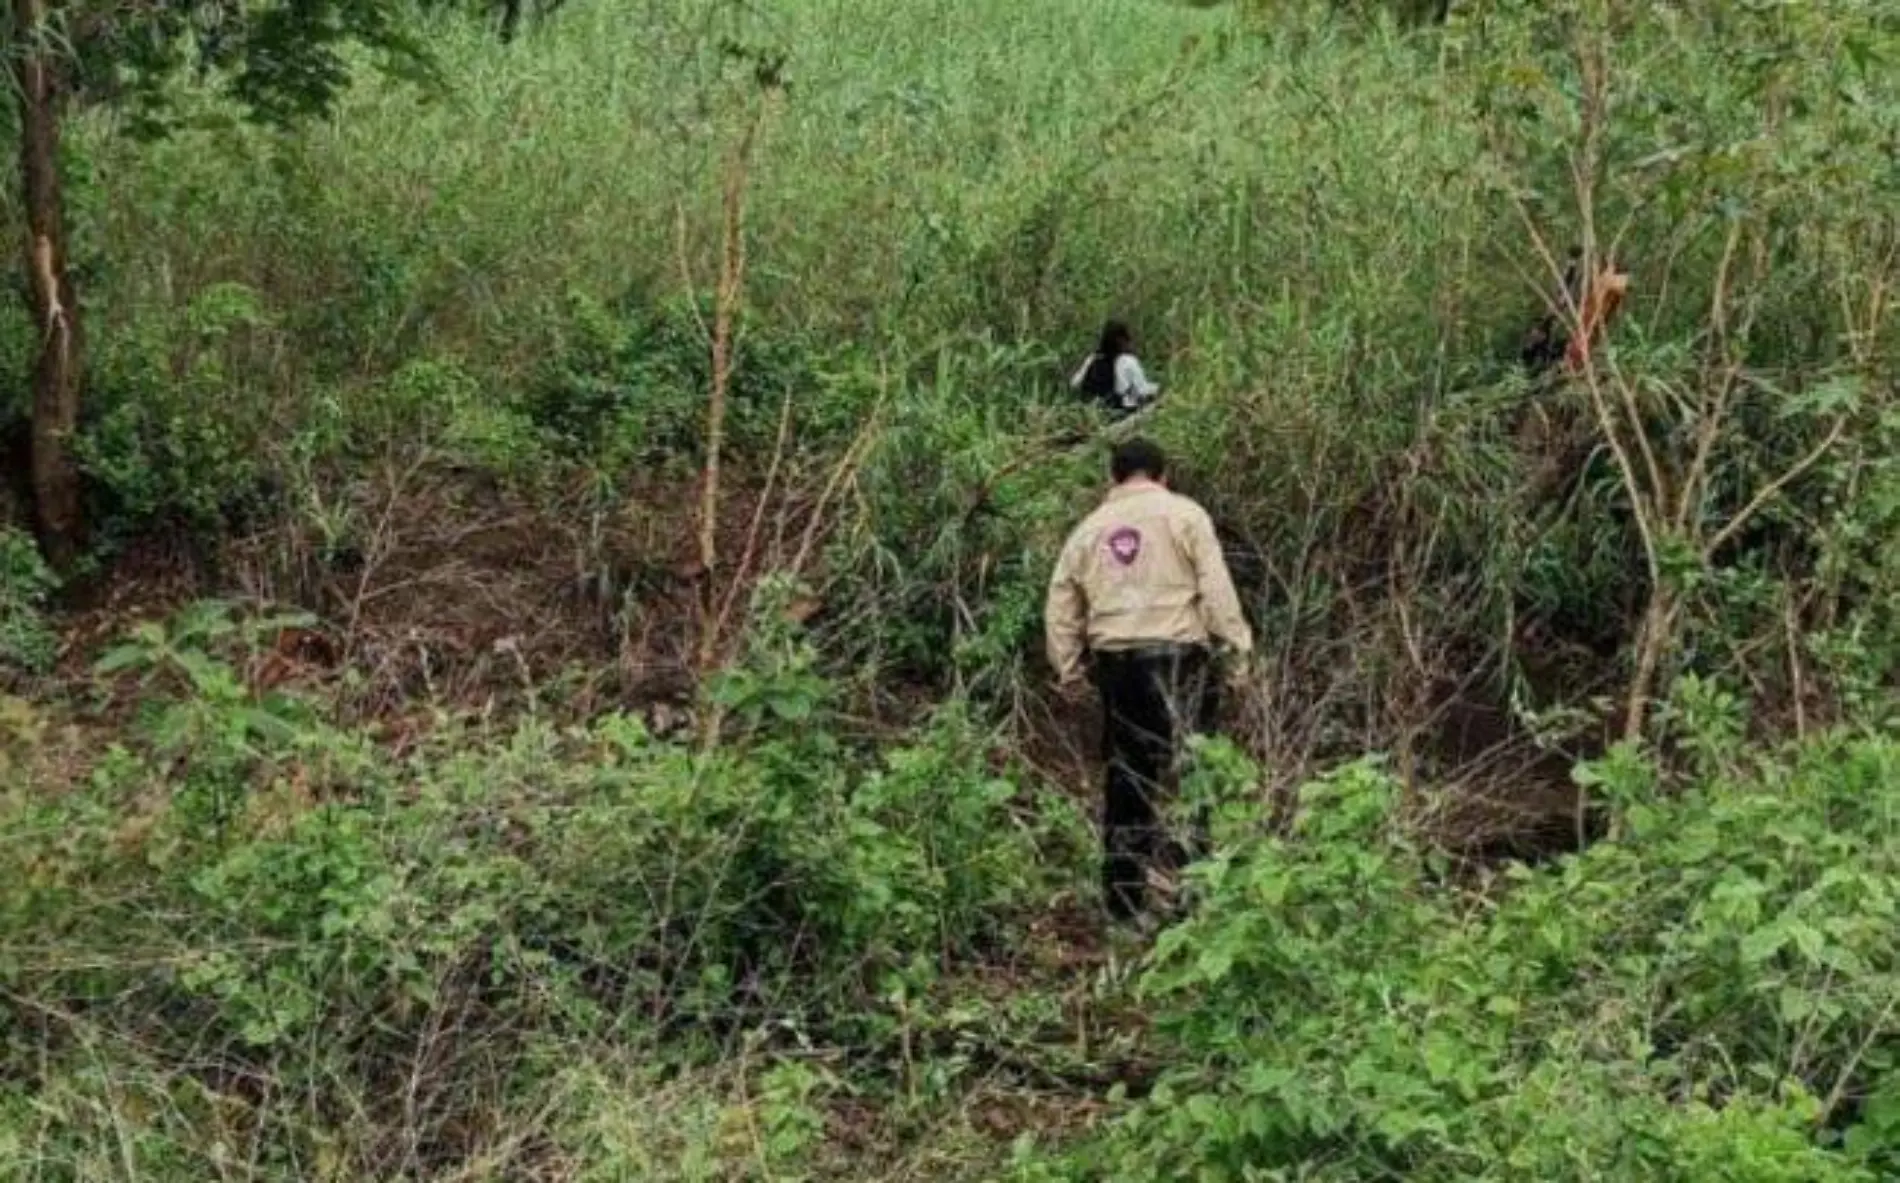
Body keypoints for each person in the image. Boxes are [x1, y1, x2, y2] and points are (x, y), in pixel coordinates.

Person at [1044, 438, 1253, 925]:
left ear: (1113, 479)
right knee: (1194, 773)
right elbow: (1217, 590)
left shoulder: (1088, 530)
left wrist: (1070, 671)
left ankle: (1124, 906)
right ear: (1163, 474)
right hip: (1180, 660)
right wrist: (1238, 653)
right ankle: (1196, 898)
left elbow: (1060, 607)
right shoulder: (1185, 515)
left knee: (1127, 781)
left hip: (1117, 665)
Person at [1071, 319, 1160, 417]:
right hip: (1117, 412)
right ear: (1122, 340)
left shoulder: (1093, 358)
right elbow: (1142, 391)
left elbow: (1075, 383)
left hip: (1092, 411)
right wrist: (1157, 389)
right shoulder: (1127, 361)